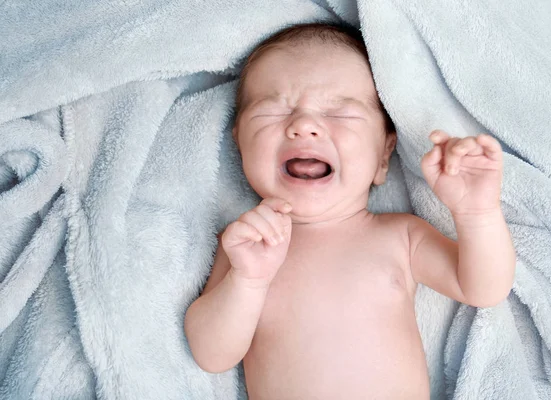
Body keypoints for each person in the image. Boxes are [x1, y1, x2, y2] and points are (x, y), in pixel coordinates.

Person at [184, 22, 515, 399]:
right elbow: (211, 355)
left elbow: (483, 288)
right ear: (240, 144)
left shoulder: (400, 237)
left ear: (383, 155)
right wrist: (246, 282)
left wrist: (476, 213)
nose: (304, 125)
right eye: (273, 111)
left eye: (339, 114)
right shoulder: (245, 247)